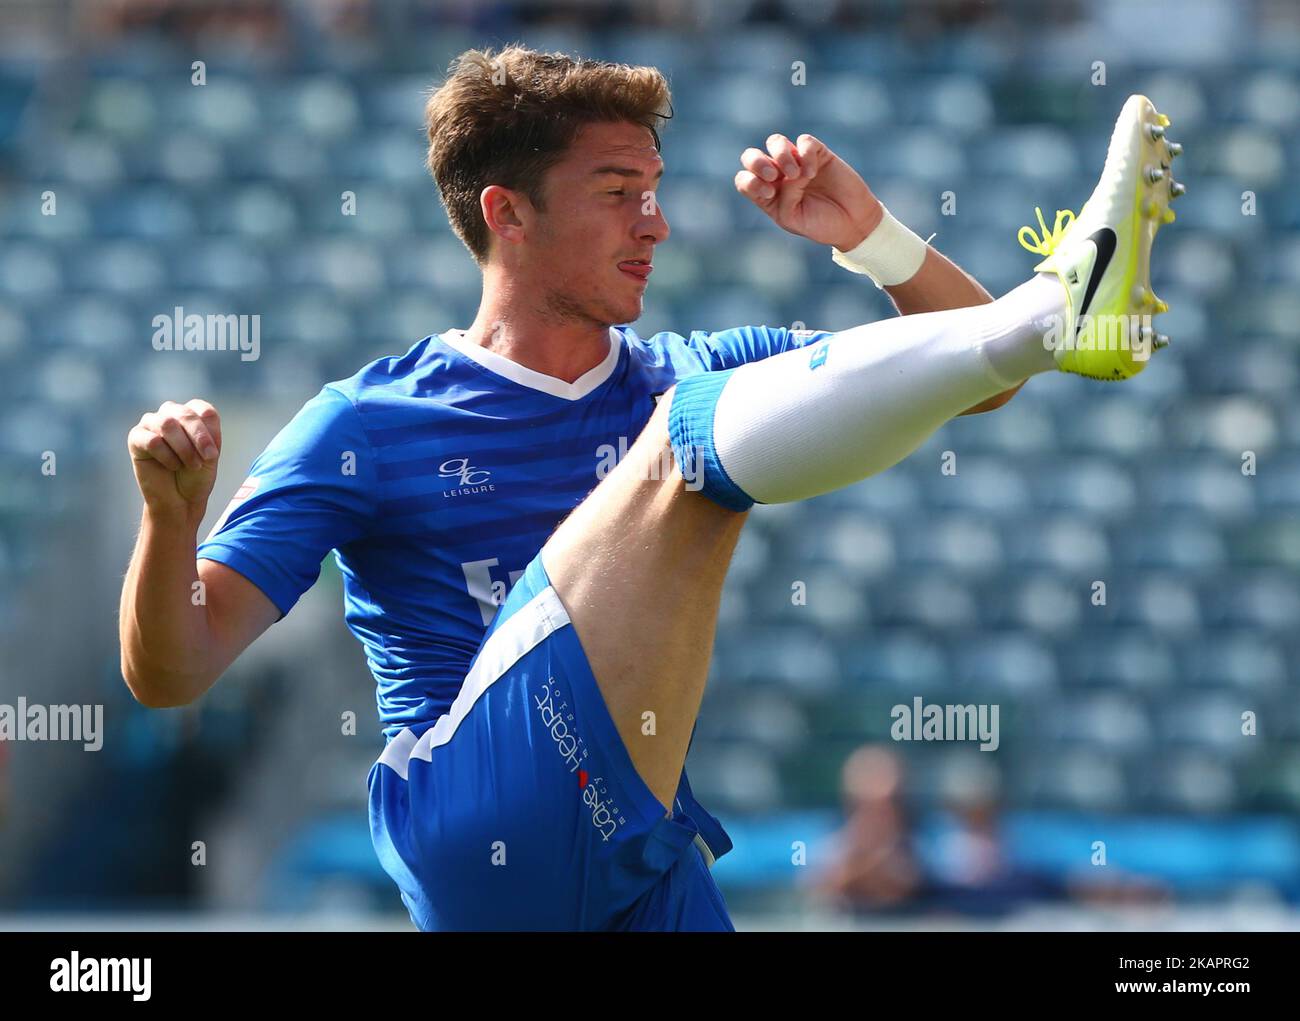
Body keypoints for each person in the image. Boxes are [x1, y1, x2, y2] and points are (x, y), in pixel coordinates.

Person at [118, 45, 1182, 930]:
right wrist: (169, 524)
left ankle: (1053, 318)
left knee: (703, 422)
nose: (656, 224)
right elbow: (172, 671)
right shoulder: (368, 420)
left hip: (638, 836)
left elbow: (969, 396)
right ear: (509, 213)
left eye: (656, 193)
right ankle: (1053, 313)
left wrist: (871, 237)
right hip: (478, 826)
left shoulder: (690, 368)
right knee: (683, 440)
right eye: (619, 194)